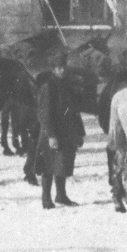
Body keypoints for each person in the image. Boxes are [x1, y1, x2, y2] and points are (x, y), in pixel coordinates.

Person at [35, 69, 82, 209]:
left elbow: (75, 110)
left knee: (62, 164)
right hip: (51, 133)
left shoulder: (67, 85)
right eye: (58, 68)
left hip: (66, 132)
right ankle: (46, 199)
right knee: (48, 165)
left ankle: (61, 196)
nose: (62, 71)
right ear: (53, 69)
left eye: (63, 67)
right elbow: (44, 113)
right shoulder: (48, 87)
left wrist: (79, 132)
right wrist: (51, 135)